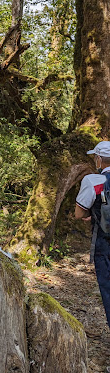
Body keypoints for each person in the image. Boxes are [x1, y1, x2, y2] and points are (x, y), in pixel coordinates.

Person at [75, 140, 110, 333]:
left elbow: (79, 213)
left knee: (108, 289)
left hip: (104, 243)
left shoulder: (92, 181)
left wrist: (92, 215)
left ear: (98, 159)